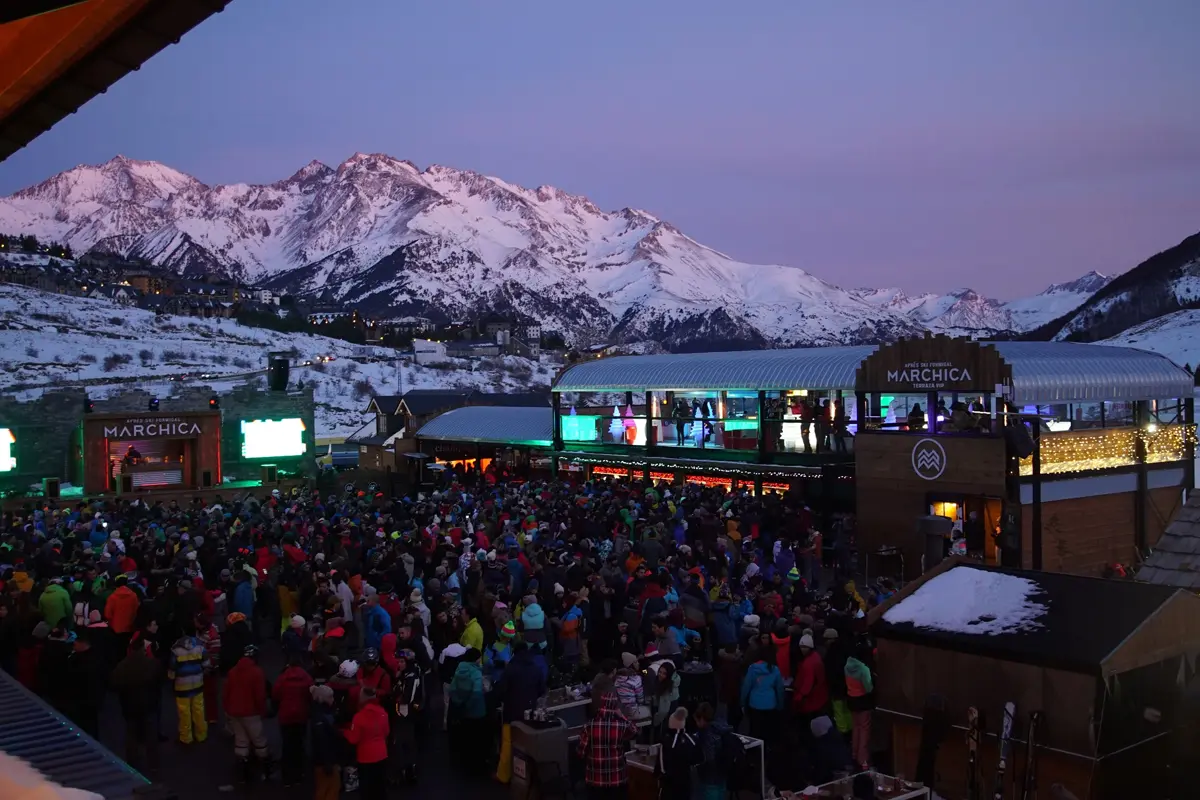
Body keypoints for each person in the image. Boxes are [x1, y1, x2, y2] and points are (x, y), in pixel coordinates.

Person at [496, 641, 547, 783]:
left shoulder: (510, 669)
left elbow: (501, 691)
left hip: (511, 713)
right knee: (526, 745)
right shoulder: (535, 668)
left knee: (507, 743)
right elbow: (542, 690)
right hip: (529, 714)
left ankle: (503, 776)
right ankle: (528, 776)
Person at [110, 638, 162, 776]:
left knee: (131, 735)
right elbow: (158, 683)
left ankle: (133, 764)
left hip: (129, 707)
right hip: (149, 706)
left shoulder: (121, 666)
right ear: (142, 650)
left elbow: (114, 685)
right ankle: (154, 765)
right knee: (151, 736)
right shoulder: (152, 664)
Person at [223, 643, 272, 782]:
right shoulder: (257, 672)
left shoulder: (233, 671)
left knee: (241, 740)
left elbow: (226, 693)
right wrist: (262, 711)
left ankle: (243, 770)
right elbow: (260, 696)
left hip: (234, 711)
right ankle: (266, 768)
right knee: (258, 740)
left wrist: (227, 709)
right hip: (251, 712)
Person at [577, 690, 638, 799]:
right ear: (616, 706)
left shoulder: (589, 725)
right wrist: (622, 716)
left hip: (595, 779)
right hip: (617, 778)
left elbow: (581, 752)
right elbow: (635, 731)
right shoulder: (621, 725)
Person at [274, 652, 314, 788]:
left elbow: (275, 694)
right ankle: (299, 775)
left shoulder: (283, 677)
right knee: (299, 745)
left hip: (285, 716)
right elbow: (311, 695)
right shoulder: (306, 677)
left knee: (287, 746)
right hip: (301, 716)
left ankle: (287, 777)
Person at [344, 686, 389, 800]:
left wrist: (344, 732)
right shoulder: (382, 712)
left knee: (367, 789)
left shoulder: (359, 717)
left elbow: (354, 739)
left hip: (366, 757)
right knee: (380, 788)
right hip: (381, 754)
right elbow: (386, 732)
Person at [449, 647, 487, 776]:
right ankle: (476, 766)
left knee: (466, 737)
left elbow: (452, 689)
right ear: (476, 659)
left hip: (462, 711)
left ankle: (464, 763)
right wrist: (469, 705)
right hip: (477, 712)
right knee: (477, 740)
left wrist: (459, 703)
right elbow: (476, 693)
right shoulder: (476, 673)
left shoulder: (459, 669)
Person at [166, 623, 207, 744]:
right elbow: (206, 664)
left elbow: (172, 669)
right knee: (199, 709)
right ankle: (201, 734)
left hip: (182, 686)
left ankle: (186, 737)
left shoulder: (176, 649)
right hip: (198, 683)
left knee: (184, 712)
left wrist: (172, 680)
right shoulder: (200, 646)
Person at [694, 702, 743, 800]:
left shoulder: (706, 735)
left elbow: (709, 757)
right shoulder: (722, 729)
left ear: (702, 719)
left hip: (710, 776)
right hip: (723, 772)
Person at [740, 646, 784, 744]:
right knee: (768, 731)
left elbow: (746, 687)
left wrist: (742, 702)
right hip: (770, 704)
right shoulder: (775, 669)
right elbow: (780, 689)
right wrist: (780, 705)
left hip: (755, 704)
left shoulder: (752, 668)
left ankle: (755, 752)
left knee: (755, 731)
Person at [845, 646, 876, 770]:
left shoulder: (847, 666)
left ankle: (854, 754)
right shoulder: (864, 669)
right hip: (863, 702)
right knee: (864, 729)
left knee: (856, 728)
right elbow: (868, 688)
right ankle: (863, 760)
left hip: (851, 700)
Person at [657, 706, 698, 800]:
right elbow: (698, 759)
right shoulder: (691, 739)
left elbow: (662, 768)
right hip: (687, 784)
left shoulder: (666, 742)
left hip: (670, 786)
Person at [310, 684, 342, 800]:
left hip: (323, 760)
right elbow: (322, 741)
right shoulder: (322, 717)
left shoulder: (318, 713)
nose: (332, 699)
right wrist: (327, 763)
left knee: (325, 789)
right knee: (329, 789)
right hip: (326, 761)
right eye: (330, 697)